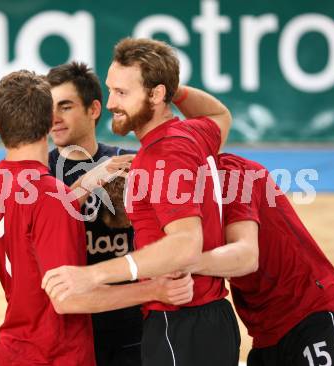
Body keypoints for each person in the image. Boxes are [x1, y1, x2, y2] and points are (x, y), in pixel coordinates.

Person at [42, 38, 240, 366]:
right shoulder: (193, 133)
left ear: (155, 94)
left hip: (180, 323)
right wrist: (172, 89)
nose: (110, 104)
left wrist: (93, 276)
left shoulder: (163, 154)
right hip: (208, 319)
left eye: (122, 93)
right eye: (112, 90)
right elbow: (221, 114)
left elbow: (186, 245)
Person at [187, 152, 334, 366]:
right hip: (265, 329)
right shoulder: (175, 187)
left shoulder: (230, 171)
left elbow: (246, 257)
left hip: (310, 311)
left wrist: (181, 263)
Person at [0, 70, 96, 366]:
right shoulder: (52, 197)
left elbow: (27, 212)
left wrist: (82, 187)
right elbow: (68, 299)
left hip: (15, 349)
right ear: (49, 122)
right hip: (56, 355)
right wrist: (152, 289)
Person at [46, 61, 142, 366]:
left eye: (65, 106)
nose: (54, 118)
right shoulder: (40, 173)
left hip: (133, 329)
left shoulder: (127, 163)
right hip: (71, 332)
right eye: (49, 108)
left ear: (94, 109)